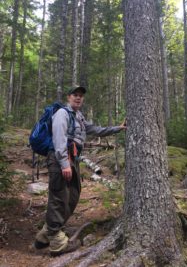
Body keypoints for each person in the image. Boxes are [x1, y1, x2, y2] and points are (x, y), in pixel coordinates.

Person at [34, 85, 126, 256]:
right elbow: (59, 138)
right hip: (60, 159)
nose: (78, 98)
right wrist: (64, 164)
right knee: (58, 197)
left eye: (81, 96)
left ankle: (45, 234)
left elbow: (97, 130)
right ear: (69, 97)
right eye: (75, 95)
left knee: (73, 196)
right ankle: (57, 243)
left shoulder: (79, 117)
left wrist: (118, 128)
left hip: (72, 160)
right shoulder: (62, 114)